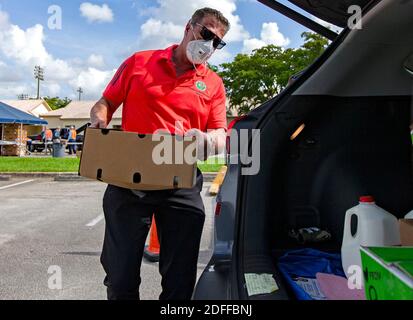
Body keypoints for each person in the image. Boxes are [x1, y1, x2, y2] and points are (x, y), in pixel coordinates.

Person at [90, 7, 229, 300]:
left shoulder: (213, 84)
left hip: (181, 179)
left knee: (179, 281)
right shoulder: (139, 63)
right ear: (188, 27)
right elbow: (106, 102)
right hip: (129, 179)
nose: (209, 45)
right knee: (120, 276)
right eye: (206, 33)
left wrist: (207, 140)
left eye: (217, 42)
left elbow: (220, 132)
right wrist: (99, 118)